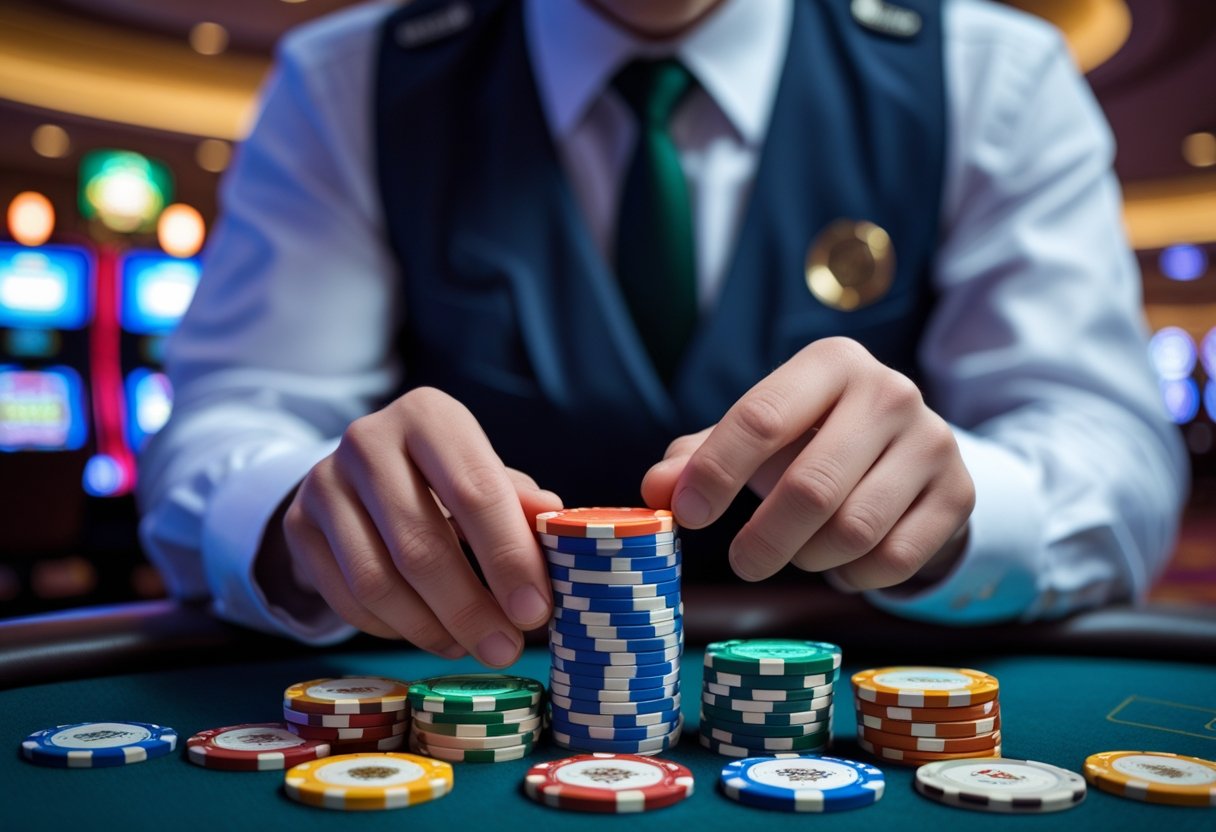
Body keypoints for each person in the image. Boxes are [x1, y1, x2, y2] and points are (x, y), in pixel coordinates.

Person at [137, 0, 1188, 668]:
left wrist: (957, 507)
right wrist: (299, 514)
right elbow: (230, 425)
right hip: (473, 694)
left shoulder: (993, 70)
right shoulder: (347, 78)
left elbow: (1115, 455)